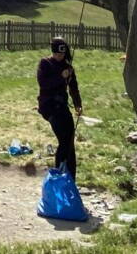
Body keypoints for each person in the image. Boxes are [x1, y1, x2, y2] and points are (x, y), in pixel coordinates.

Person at [36, 36, 83, 176]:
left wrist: (77, 104)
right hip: (48, 106)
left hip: (62, 106)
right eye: (57, 54)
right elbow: (43, 83)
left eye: (62, 54)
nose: (59, 56)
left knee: (70, 140)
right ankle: (59, 172)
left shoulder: (67, 67)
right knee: (63, 139)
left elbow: (73, 87)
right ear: (53, 52)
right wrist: (60, 76)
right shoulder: (45, 64)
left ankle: (70, 175)